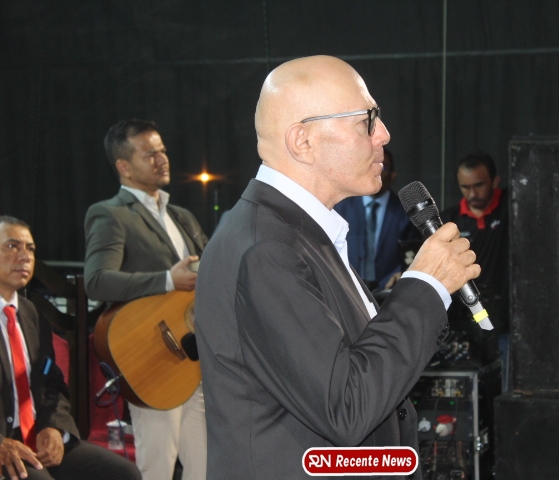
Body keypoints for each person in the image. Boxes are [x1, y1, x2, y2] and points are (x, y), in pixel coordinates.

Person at [195, 55, 480, 479]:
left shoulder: (294, 234)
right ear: (303, 141)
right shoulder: (266, 250)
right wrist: (425, 285)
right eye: (367, 121)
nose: (384, 134)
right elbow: (347, 405)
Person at [83, 120, 208, 480]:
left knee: (206, 468)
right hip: (152, 360)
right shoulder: (110, 213)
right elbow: (96, 281)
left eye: (162, 150)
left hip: (196, 358)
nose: (162, 159)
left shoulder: (183, 216)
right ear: (123, 166)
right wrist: (167, 279)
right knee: (157, 468)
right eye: (150, 154)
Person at [0, 216, 141, 480]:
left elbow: (52, 385)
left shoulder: (31, 314)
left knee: (123, 473)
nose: (25, 256)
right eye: (12, 246)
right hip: (4, 445)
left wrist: (54, 428)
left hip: (33, 439)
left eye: (30, 249)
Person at [441, 151, 509, 389]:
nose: (472, 194)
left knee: (504, 392)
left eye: (479, 185)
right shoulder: (448, 221)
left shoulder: (513, 208)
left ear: (495, 181)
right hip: (465, 326)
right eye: (465, 187)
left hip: (506, 325)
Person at [334, 147, 413, 291]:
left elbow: (412, 256)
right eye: (370, 165)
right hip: (347, 290)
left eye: (383, 167)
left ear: (393, 175)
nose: (375, 171)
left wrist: (402, 275)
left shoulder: (406, 213)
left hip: (389, 292)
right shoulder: (340, 208)